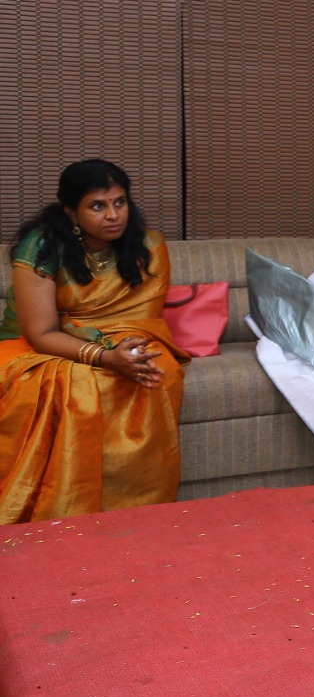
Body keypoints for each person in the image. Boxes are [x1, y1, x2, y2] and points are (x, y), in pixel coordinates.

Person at [1, 160, 184, 524]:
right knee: (79, 383)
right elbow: (41, 334)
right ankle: (64, 509)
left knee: (157, 368)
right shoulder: (42, 246)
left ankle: (135, 510)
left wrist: (126, 351)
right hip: (32, 342)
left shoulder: (148, 245)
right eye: (98, 206)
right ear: (71, 211)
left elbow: (142, 320)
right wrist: (105, 356)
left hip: (117, 338)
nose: (113, 215)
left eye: (120, 202)